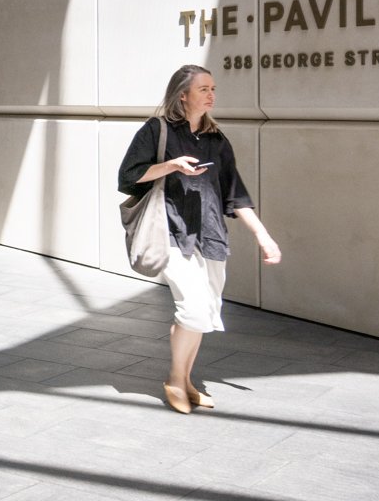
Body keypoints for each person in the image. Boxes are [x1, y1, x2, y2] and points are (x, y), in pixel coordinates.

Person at [118, 64, 281, 414]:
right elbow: (129, 177)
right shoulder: (156, 130)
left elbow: (234, 195)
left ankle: (187, 381)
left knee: (205, 312)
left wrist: (263, 236)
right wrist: (171, 165)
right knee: (191, 308)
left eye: (213, 88)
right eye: (204, 88)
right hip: (172, 231)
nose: (211, 94)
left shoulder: (216, 140)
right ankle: (176, 380)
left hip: (210, 235)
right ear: (183, 94)